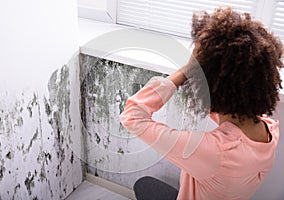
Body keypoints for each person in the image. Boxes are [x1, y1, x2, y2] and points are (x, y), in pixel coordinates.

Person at [120, 7, 283, 200]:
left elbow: (132, 116)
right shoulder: (270, 130)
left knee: (144, 184)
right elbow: (224, 106)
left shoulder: (215, 152)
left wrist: (189, 69)